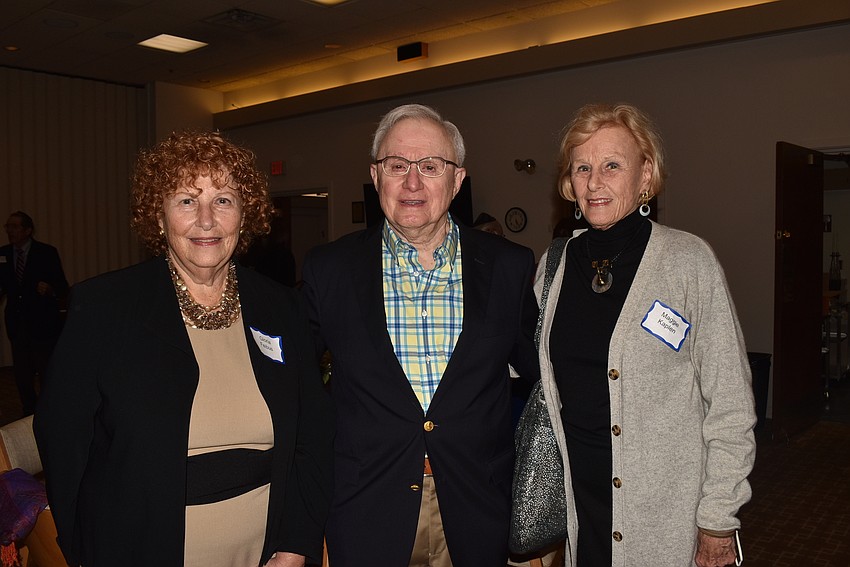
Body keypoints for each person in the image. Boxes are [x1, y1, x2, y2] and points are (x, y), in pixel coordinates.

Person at [33, 131, 334, 567]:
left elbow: (313, 435)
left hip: (264, 552)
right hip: (136, 549)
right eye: (187, 201)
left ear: (245, 214)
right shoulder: (105, 307)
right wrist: (84, 550)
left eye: (223, 200)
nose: (206, 220)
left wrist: (295, 546)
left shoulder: (282, 307)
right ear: (159, 217)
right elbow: (63, 439)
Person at [301, 103, 539, 566]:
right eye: (397, 166)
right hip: (365, 512)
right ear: (376, 177)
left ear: (457, 180)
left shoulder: (508, 266)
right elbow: (295, 391)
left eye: (430, 167)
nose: (412, 183)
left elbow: (544, 377)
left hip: (476, 510)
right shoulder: (329, 270)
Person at [533, 102, 756, 567]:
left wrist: (718, 518)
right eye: (582, 167)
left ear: (646, 175)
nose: (595, 182)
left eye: (612, 165)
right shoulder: (553, 266)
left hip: (667, 518)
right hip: (582, 509)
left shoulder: (688, 261)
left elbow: (731, 403)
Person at [0, 211, 68, 417]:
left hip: (42, 323)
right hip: (16, 323)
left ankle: (49, 412)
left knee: (45, 370)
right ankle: (28, 412)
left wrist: (49, 289)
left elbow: (62, 286)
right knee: (22, 374)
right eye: (8, 226)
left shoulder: (46, 252)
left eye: (15, 226)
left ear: (28, 230)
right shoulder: (3, 254)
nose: (10, 231)